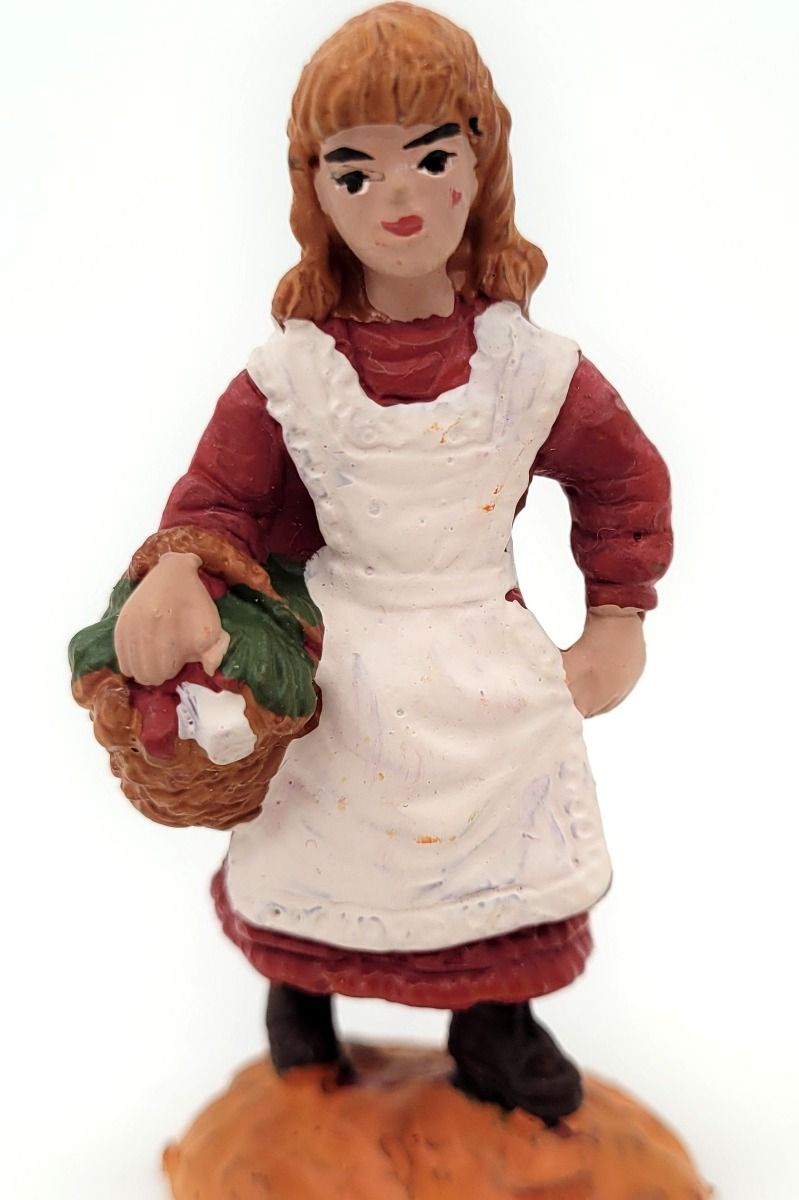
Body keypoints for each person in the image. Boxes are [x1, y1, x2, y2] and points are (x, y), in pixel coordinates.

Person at [113, 2, 672, 1124]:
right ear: (313, 191)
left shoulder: (528, 367)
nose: (397, 198)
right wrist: (177, 570)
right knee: (320, 840)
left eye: (430, 157)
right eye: (355, 170)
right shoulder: (290, 375)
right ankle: (301, 1004)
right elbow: (220, 495)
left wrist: (616, 615)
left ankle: (494, 1028)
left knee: (500, 850)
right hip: (343, 654)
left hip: (480, 656)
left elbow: (623, 477)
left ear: (481, 161)